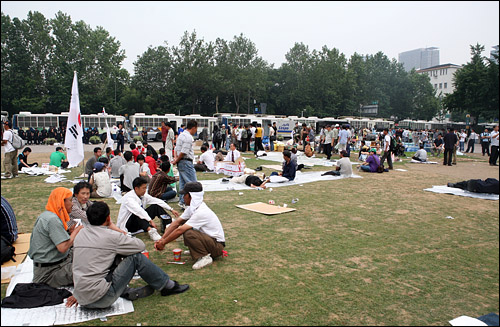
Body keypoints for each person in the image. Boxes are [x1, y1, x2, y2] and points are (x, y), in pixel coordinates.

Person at [68, 201, 189, 309]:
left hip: (81, 297)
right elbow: (139, 246)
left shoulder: (81, 234)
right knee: (135, 257)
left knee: (112, 257)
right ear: (108, 218)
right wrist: (116, 230)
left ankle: (127, 291)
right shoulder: (111, 236)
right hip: (102, 297)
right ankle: (167, 286)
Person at [154, 182, 225, 270]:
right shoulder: (193, 207)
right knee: (187, 229)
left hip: (217, 246)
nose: (183, 197)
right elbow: (176, 223)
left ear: (191, 196)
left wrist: (163, 243)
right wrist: (162, 239)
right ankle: (197, 250)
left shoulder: (201, 211)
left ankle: (205, 257)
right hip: (210, 241)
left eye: (185, 195)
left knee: (188, 233)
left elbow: (179, 230)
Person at [27, 187, 84, 288]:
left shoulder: (48, 215)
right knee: (89, 270)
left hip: (56, 263)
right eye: (70, 201)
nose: (72, 204)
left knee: (86, 252)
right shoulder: (52, 220)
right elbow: (62, 247)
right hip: (49, 273)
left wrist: (69, 233)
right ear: (61, 202)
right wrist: (76, 232)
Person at [117, 177, 180, 241]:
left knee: (155, 206)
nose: (145, 190)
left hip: (140, 221)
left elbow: (155, 200)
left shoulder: (143, 195)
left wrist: (171, 209)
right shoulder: (129, 198)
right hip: (129, 225)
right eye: (143, 188)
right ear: (136, 188)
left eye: (145, 188)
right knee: (138, 214)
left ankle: (168, 224)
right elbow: (139, 211)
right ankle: (151, 231)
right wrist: (150, 220)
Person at [172, 120, 198, 209]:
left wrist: (176, 159)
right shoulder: (188, 137)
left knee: (183, 183)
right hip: (186, 161)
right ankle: (194, 203)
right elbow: (183, 152)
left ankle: (182, 202)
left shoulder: (181, 135)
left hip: (181, 162)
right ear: (194, 127)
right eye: (196, 129)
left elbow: (176, 149)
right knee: (193, 183)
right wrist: (176, 160)